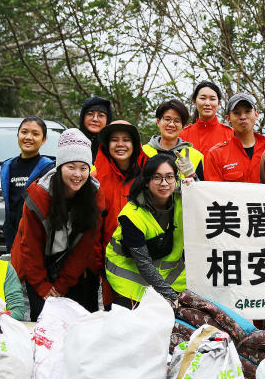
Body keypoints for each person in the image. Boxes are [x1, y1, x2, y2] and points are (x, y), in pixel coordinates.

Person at [12, 129, 103, 320]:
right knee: (44, 323)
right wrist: (43, 287)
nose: (77, 174)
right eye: (71, 167)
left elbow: (84, 247)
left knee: (80, 323)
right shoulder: (39, 196)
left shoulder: (94, 195)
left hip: (73, 268)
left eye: (83, 168)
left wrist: (62, 285)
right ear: (60, 166)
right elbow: (29, 246)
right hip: (39, 268)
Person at [105, 154, 185, 308]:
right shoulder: (132, 215)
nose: (164, 183)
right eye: (157, 177)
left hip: (167, 275)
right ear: (147, 182)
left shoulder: (182, 200)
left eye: (169, 177)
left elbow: (205, 201)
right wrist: (170, 295)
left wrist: (191, 176)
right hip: (129, 276)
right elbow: (143, 263)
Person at [95, 120, 148, 308]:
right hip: (111, 261)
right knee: (116, 315)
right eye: (114, 140)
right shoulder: (96, 177)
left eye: (126, 139)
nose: (120, 144)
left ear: (134, 144)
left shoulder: (148, 175)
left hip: (144, 260)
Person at [0, 116, 54, 251]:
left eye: (35, 134)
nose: (28, 137)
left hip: (36, 236)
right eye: (24, 132)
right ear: (18, 135)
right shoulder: (7, 166)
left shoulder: (48, 168)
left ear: (44, 140)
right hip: (12, 234)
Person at [204, 93, 265, 183]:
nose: (243, 117)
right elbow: (212, 194)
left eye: (247, 111)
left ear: (256, 114)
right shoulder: (216, 155)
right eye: (236, 113)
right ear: (228, 118)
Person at [142, 99, 204, 180]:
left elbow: (200, 190)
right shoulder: (142, 152)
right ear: (158, 122)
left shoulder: (195, 156)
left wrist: (191, 175)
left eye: (177, 121)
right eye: (167, 119)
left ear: (183, 126)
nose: (171, 124)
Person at [180, 80, 233, 155]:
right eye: (203, 98)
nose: (207, 103)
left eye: (212, 99)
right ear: (195, 102)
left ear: (219, 103)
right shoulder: (183, 135)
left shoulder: (230, 134)